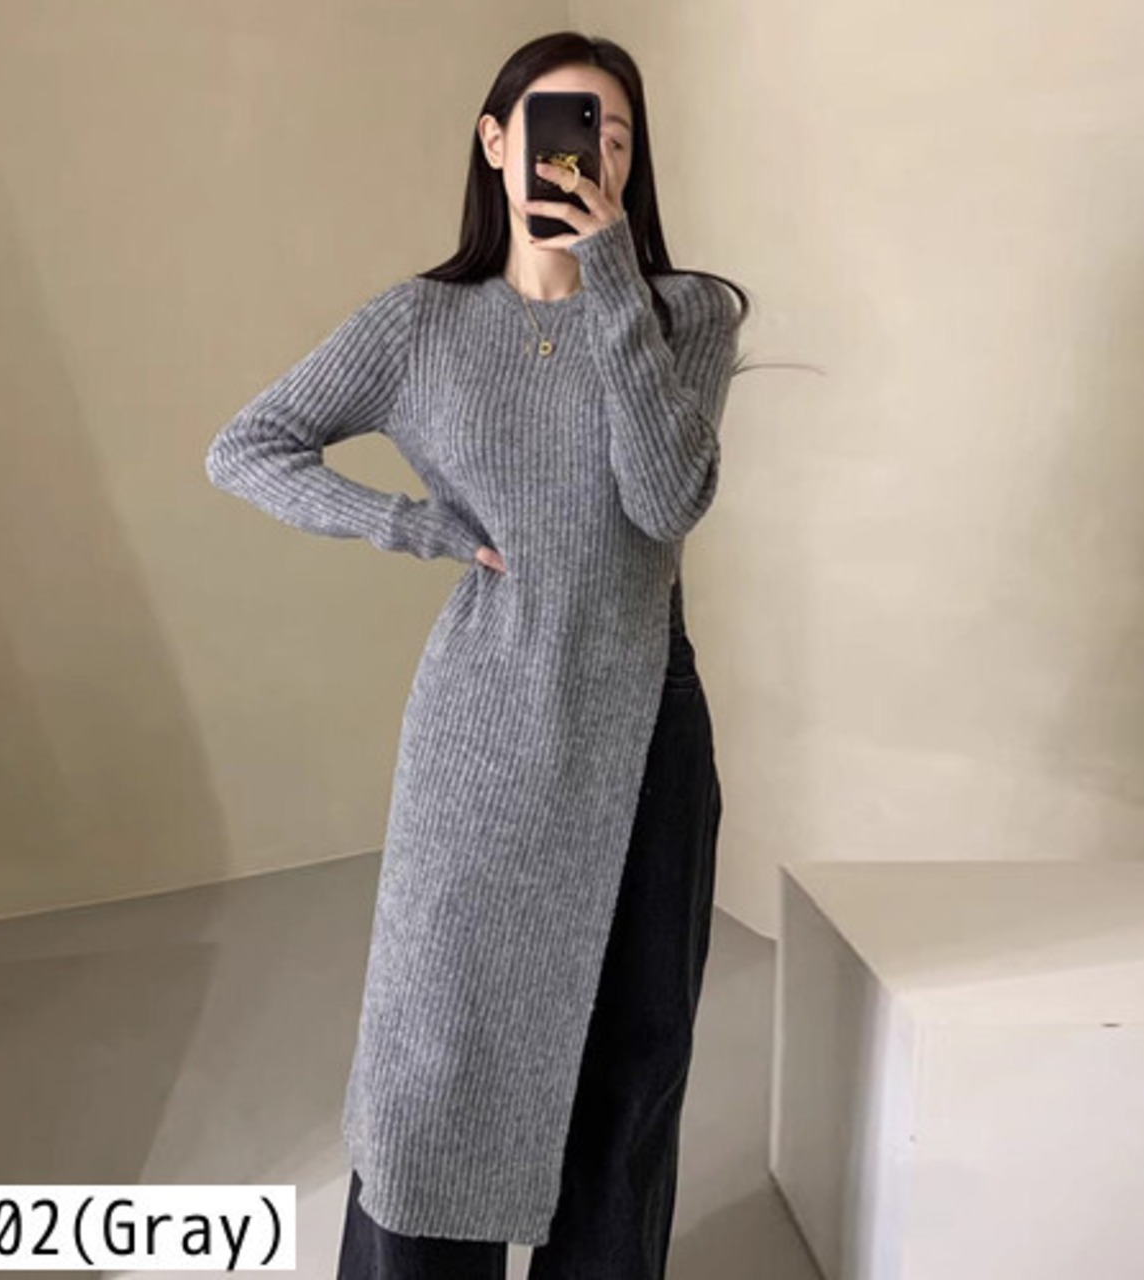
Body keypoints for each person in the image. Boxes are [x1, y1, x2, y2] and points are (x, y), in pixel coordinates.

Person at [205, 28, 747, 1280]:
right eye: (559, 127)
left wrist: (609, 279)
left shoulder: (686, 314)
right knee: (433, 1053)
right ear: (496, 140)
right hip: (483, 715)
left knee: (630, 1051)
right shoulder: (419, 324)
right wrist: (409, 523)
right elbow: (247, 446)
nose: (584, 156)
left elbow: (664, 500)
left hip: (643, 721)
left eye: (612, 139)